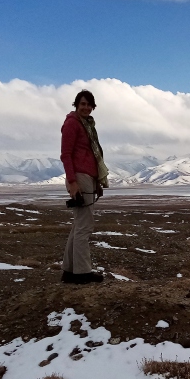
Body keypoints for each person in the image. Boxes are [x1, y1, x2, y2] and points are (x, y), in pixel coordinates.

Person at [60, 89, 109, 284]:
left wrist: (96, 181)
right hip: (79, 178)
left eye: (89, 104)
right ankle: (82, 273)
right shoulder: (72, 124)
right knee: (85, 226)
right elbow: (66, 155)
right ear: (76, 105)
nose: (86, 107)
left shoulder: (87, 126)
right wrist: (73, 182)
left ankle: (69, 270)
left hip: (87, 178)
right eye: (83, 104)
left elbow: (90, 156)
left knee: (78, 225)